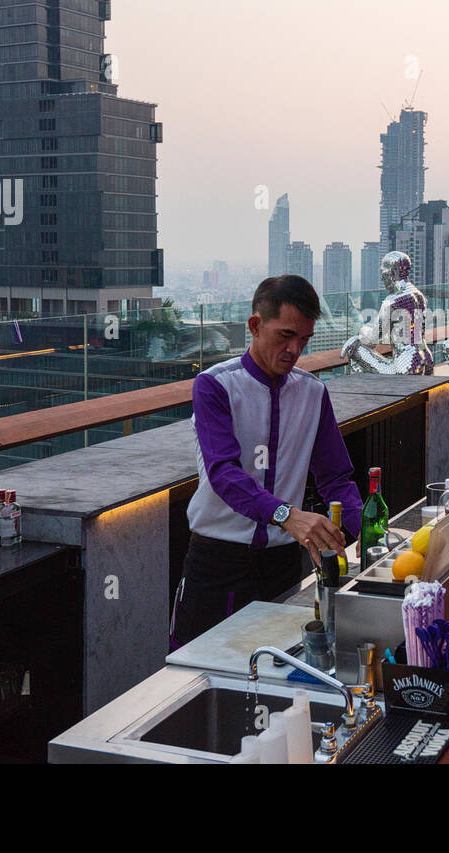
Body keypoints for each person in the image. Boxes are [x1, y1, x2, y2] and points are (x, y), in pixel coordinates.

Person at [171, 275, 362, 647]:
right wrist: (285, 514)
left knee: (280, 669)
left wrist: (362, 539)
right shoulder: (215, 386)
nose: (294, 349)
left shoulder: (313, 392)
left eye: (303, 340)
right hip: (218, 560)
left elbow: (336, 477)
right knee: (201, 673)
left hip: (282, 564)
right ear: (255, 326)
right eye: (285, 335)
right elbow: (224, 474)